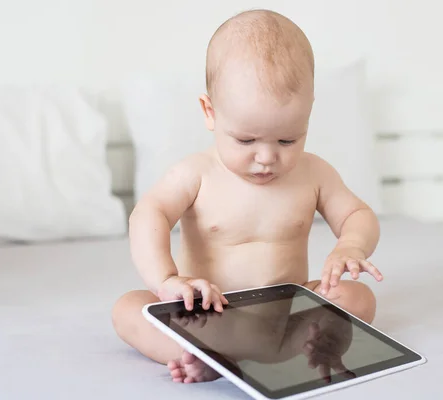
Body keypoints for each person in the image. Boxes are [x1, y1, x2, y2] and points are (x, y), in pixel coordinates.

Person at [112, 8, 382, 384]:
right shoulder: (195, 173)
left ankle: (281, 351)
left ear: (308, 114)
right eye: (246, 140)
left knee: (356, 299)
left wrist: (350, 246)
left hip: (287, 309)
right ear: (210, 112)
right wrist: (167, 278)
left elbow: (356, 213)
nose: (267, 157)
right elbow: (148, 214)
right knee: (129, 309)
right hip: (207, 311)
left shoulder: (314, 172)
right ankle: (208, 353)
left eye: (288, 139)